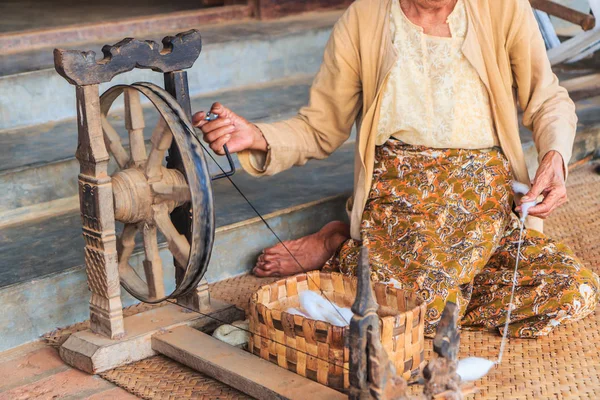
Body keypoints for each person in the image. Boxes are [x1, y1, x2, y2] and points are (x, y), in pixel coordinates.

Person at [193, 0, 599, 338]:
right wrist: (257, 135)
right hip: (403, 205)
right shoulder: (364, 19)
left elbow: (547, 99)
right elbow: (320, 127)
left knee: (572, 290)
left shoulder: (502, 8)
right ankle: (346, 244)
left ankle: (348, 254)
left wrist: (555, 157)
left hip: (485, 208)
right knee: (407, 316)